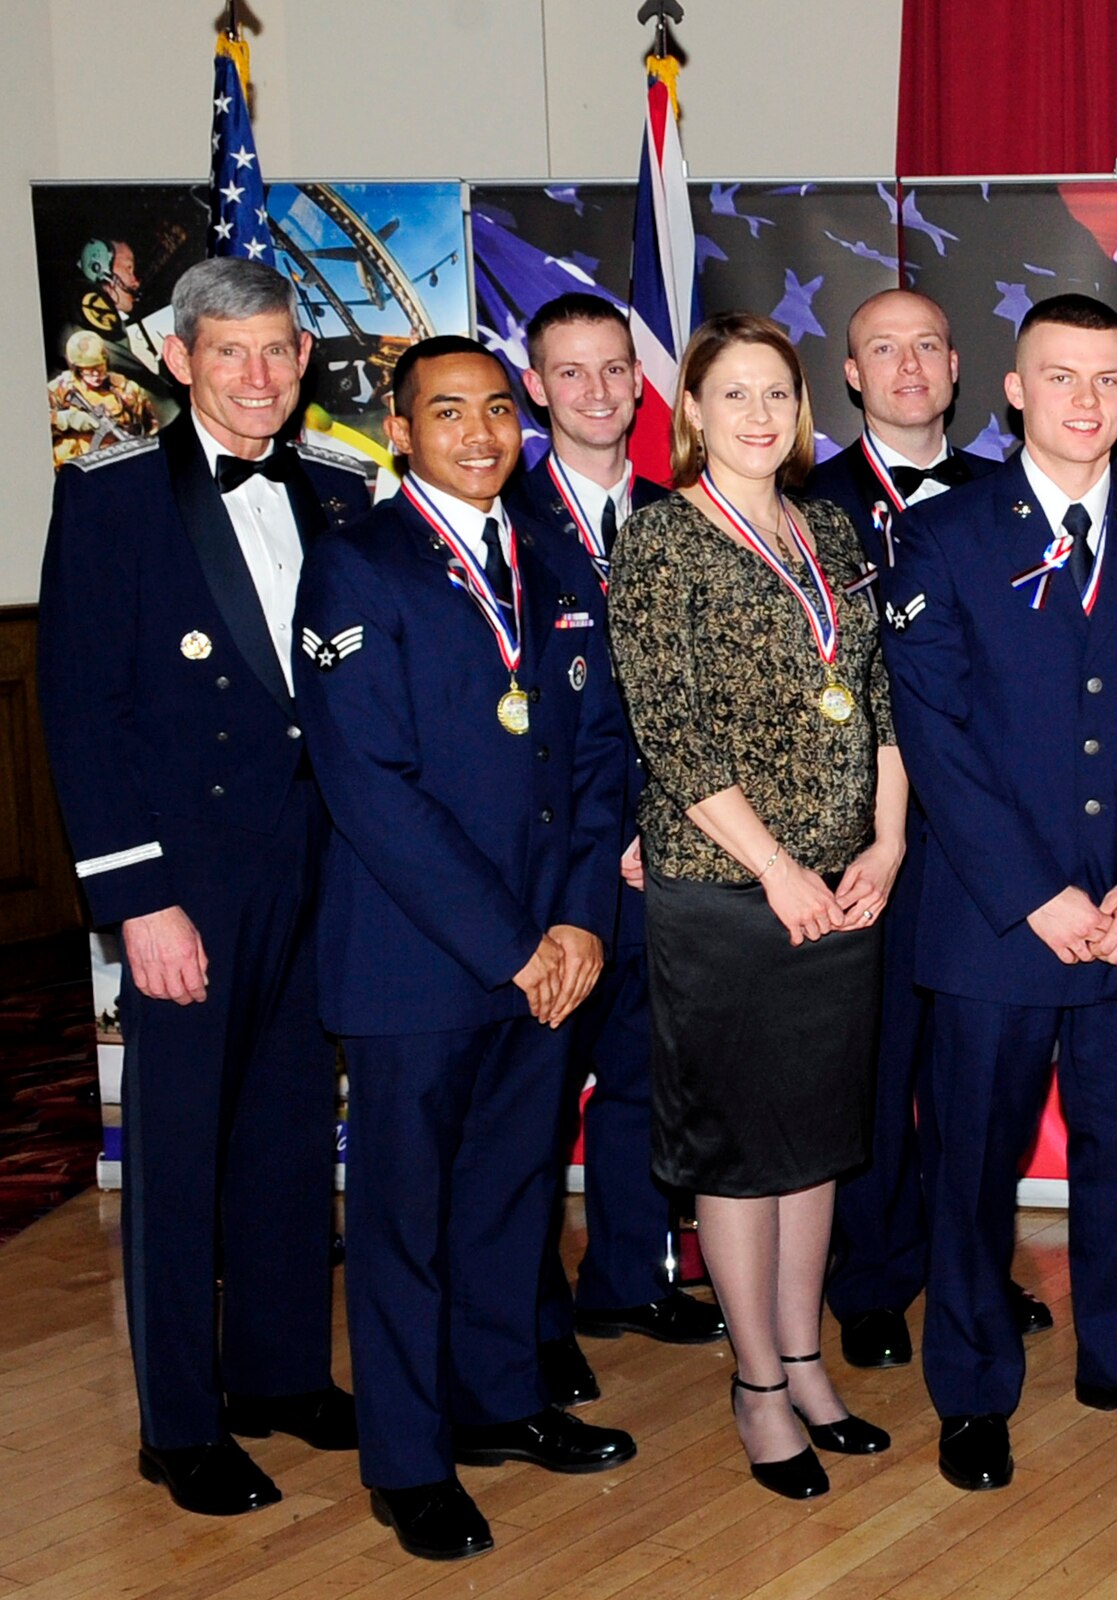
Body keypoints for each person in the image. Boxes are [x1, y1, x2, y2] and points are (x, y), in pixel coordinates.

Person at [880, 294, 1117, 1495]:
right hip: (996, 926)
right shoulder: (943, 538)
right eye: (1060, 377)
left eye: (1106, 378)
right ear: (1015, 390)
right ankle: (973, 1391)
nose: (1086, 401)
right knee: (973, 1170)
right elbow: (934, 738)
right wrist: (1033, 895)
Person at [37, 257, 373, 1518]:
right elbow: (82, 708)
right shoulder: (111, 496)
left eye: (279, 350)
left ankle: (281, 1373)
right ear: (177, 361)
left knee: (290, 1133)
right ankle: (178, 1422)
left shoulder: (341, 493)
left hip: (319, 871)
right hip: (188, 882)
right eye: (228, 352)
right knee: (176, 1156)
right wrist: (140, 898)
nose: (258, 376)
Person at [294, 336, 637, 1561]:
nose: (482, 433)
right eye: (450, 412)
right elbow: (371, 786)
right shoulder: (356, 568)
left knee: (509, 1193)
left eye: (498, 409)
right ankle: (406, 1458)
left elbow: (601, 761)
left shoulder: (552, 563)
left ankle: (499, 1401)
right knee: (403, 1218)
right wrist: (513, 945)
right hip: (419, 963)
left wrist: (581, 920)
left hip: (551, 950)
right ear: (399, 425)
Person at [608, 312, 902, 1501]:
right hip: (730, 893)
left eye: (774, 390)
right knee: (738, 1151)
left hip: (842, 888)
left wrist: (883, 841)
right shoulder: (660, 541)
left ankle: (804, 1359)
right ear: (690, 414)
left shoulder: (830, 526)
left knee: (814, 1140)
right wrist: (778, 867)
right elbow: (669, 733)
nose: (757, 413)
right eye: (731, 394)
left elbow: (875, 701)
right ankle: (755, 1388)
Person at [803, 288, 1050, 1371]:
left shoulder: (1019, 501)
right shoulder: (801, 504)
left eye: (926, 347)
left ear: (958, 369)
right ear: (849, 373)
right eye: (880, 349)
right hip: (844, 846)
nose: (907, 367)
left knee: (973, 1086)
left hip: (980, 849)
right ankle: (867, 1276)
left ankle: (971, 1271)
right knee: (863, 1068)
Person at [507, 291, 726, 1408]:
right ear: (534, 387)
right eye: (571, 372)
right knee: (537, 1098)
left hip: (676, 857)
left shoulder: (677, 515)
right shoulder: (501, 522)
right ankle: (532, 1314)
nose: (597, 391)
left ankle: (628, 1273)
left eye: (612, 371)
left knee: (648, 1077)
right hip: (559, 873)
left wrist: (671, 819)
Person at [49, 329, 159, 465]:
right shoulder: (59, 390)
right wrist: (65, 419)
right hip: (74, 472)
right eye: (88, 369)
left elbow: (150, 429)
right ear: (76, 368)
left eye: (99, 367)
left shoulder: (126, 390)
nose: (95, 374)